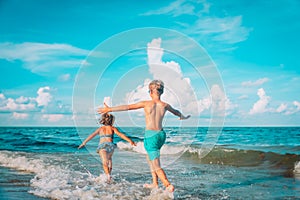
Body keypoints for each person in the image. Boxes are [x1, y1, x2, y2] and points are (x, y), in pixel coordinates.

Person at [97, 80, 190, 192]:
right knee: (150, 158)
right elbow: (176, 112)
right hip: (161, 135)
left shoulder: (146, 103)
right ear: (161, 92)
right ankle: (155, 183)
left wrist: (109, 109)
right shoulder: (165, 105)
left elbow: (128, 107)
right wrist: (183, 117)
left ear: (150, 91)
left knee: (155, 163)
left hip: (151, 135)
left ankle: (167, 184)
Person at [78, 113, 136, 182]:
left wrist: (84, 143)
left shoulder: (101, 129)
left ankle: (108, 176)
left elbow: (92, 135)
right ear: (111, 121)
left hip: (102, 146)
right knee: (109, 162)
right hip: (111, 146)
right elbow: (121, 135)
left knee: (104, 162)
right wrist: (130, 140)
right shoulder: (112, 128)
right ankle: (109, 176)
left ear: (103, 120)